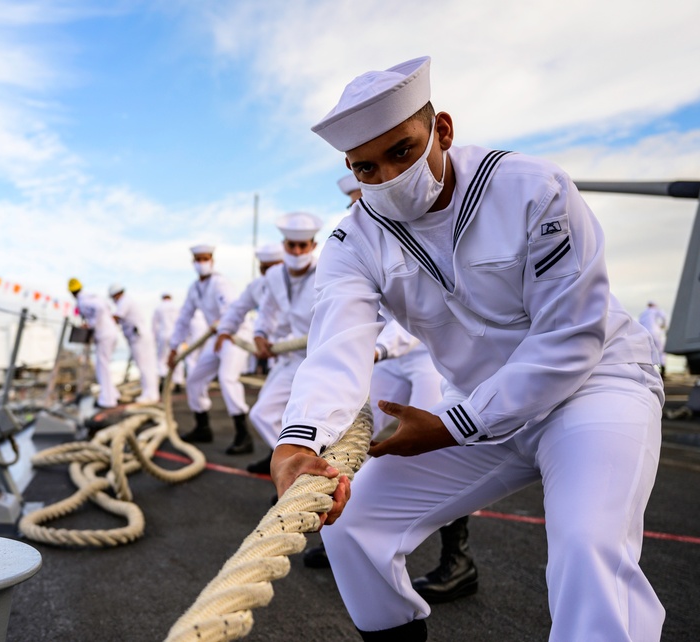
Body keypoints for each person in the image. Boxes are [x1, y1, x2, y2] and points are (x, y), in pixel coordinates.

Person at [271, 56, 665, 640]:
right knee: (355, 525)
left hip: (595, 388)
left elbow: (570, 338)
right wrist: (297, 442)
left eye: (402, 152)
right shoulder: (354, 241)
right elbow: (335, 347)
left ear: (443, 130)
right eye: (366, 167)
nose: (387, 178)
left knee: (589, 548)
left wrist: (454, 425)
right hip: (478, 406)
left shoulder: (532, 189)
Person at [320, 174, 478, 603]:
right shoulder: (361, 242)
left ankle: (459, 559)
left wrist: (377, 349)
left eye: (366, 198)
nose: (361, 208)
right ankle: (347, 530)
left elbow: (423, 314)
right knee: (352, 430)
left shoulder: (421, 230)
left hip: (429, 356)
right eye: (356, 201)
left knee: (435, 446)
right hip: (385, 356)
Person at [217, 216, 322, 474]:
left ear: (313, 245)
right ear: (284, 245)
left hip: (321, 356)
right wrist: (260, 334)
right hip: (290, 355)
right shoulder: (275, 276)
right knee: (263, 413)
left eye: (303, 245)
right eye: (291, 245)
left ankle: (299, 468)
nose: (297, 251)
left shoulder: (327, 270)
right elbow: (266, 311)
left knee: (315, 419)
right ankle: (289, 466)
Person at [168, 244, 253, 454]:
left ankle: (244, 434)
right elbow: (184, 318)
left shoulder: (220, 283)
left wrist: (223, 328)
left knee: (227, 378)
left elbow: (230, 310)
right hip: (216, 338)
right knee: (194, 379)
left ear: (212, 261)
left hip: (234, 335)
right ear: (193, 262)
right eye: (198, 259)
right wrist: (173, 347)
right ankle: (203, 427)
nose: (202, 263)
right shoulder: (195, 289)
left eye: (205, 259)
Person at [216, 242, 285, 378]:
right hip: (276, 349)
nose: (269, 274)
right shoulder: (257, 286)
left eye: (273, 268)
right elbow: (238, 308)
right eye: (264, 269)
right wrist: (224, 329)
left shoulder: (298, 282)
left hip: (303, 348)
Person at [68, 277, 120, 409]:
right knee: (104, 366)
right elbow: (105, 307)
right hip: (110, 333)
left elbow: (100, 309)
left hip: (104, 335)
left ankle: (107, 400)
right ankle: (113, 395)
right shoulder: (92, 297)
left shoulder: (84, 301)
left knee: (102, 367)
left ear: (72, 292)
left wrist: (92, 324)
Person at [109, 284, 160, 404]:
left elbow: (116, 317)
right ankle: (151, 393)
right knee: (147, 366)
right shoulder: (127, 300)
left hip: (139, 338)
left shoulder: (124, 301)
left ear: (116, 294)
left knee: (145, 367)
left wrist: (101, 321)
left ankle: (150, 395)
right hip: (140, 338)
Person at [152, 293, 185, 391]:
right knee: (177, 358)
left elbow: (154, 325)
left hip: (163, 334)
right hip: (175, 335)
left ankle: (163, 378)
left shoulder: (158, 308)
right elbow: (182, 322)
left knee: (161, 358)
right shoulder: (176, 307)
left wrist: (155, 339)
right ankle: (178, 382)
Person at [638, 301, 669, 376]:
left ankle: (648, 370)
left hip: (645, 333)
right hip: (655, 333)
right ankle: (663, 369)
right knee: (661, 351)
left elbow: (639, 324)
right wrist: (663, 325)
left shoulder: (643, 313)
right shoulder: (656, 311)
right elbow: (664, 316)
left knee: (647, 351)